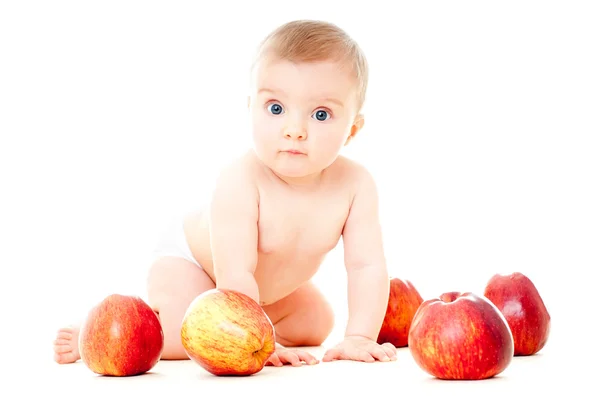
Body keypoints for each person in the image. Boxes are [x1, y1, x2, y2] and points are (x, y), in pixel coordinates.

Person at [53, 19, 396, 367]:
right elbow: (236, 271)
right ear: (251, 109)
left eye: (321, 114)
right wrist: (255, 339)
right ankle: (101, 332)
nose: (295, 130)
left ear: (352, 129)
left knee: (316, 323)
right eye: (276, 109)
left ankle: (262, 323)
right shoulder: (241, 181)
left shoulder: (355, 185)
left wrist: (359, 336)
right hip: (195, 263)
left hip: (258, 289)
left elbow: (366, 265)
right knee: (174, 336)